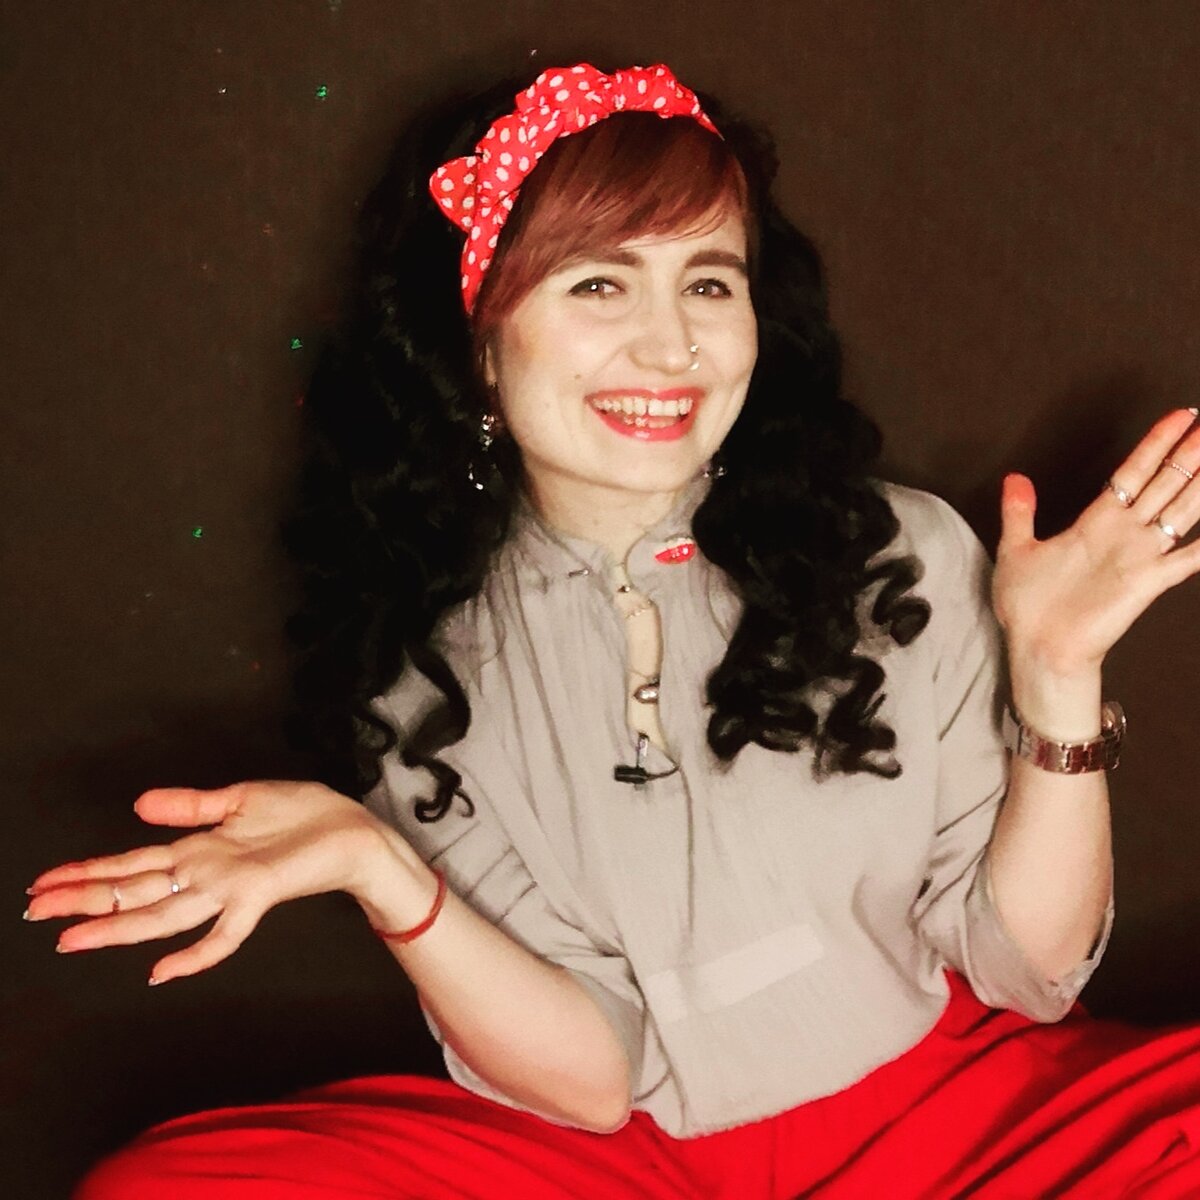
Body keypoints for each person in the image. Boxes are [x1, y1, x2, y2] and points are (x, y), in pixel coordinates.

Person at [28, 60, 1200, 1198]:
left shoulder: (902, 551)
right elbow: (592, 1081)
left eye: (709, 283)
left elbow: (1033, 974)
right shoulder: (419, 671)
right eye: (598, 284)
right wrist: (373, 866)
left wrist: (1058, 672)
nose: (671, 346)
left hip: (947, 1110)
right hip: (625, 1156)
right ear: (480, 341)